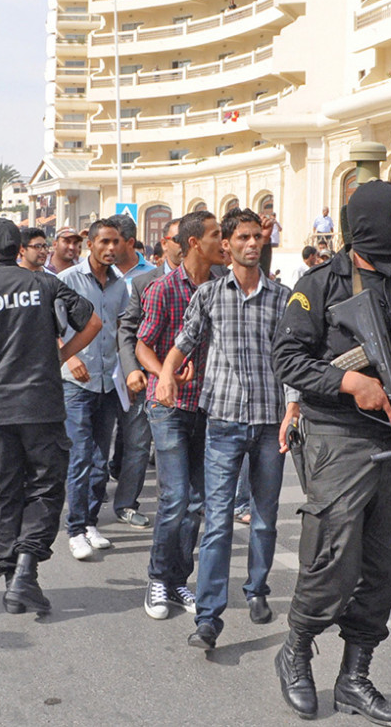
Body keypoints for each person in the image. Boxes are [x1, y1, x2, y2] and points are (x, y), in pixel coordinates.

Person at [271, 180, 391, 723]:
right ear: (369, 223)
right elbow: (286, 360)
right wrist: (348, 383)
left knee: (386, 564)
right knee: (332, 559)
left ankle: (354, 678)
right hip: (340, 436)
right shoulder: (318, 286)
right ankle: (296, 651)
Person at [156, 208, 294, 650]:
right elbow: (183, 342)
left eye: (258, 237)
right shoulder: (211, 295)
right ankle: (209, 618)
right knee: (216, 523)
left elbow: (291, 359)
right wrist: (165, 375)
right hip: (223, 423)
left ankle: (256, 590)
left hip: (271, 423)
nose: (252, 244)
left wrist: (293, 410)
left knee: (264, 520)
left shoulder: (283, 298)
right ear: (228, 245)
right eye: (242, 238)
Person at [0, 218, 101, 614]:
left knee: (2, 493)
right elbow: (93, 322)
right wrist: (61, 357)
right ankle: (26, 573)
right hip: (41, 405)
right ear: (19, 248)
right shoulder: (46, 283)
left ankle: (11, 576)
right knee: (45, 489)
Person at [136, 210, 225, 621]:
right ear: (194, 242)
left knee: (196, 503)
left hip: (208, 406)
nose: (223, 242)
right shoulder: (163, 289)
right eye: (216, 235)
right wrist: (165, 374)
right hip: (167, 406)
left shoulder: (224, 287)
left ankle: (177, 580)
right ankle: (157, 577)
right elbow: (143, 346)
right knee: (174, 499)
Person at [58, 218, 129, 561]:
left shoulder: (121, 285)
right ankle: (74, 530)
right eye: (104, 242)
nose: (111, 248)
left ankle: (89, 522)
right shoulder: (67, 281)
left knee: (101, 458)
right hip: (76, 383)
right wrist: (68, 359)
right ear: (90, 242)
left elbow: (123, 331)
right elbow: (48, 325)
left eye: (116, 242)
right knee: (81, 455)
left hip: (108, 382)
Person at [115, 217, 183, 528]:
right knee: (139, 445)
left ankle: (188, 506)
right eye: (177, 239)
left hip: (194, 382)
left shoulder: (213, 279)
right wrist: (131, 370)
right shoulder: (145, 283)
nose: (183, 245)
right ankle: (127, 503)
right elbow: (128, 331)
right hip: (149, 378)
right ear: (164, 244)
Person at [107, 214, 156, 505]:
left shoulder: (151, 277)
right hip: (96, 370)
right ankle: (93, 492)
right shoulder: (94, 273)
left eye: (115, 241)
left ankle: (126, 502)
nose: (109, 247)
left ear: (129, 242)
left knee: (136, 441)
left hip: (136, 369)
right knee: (96, 440)